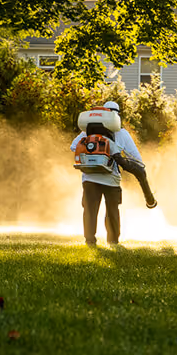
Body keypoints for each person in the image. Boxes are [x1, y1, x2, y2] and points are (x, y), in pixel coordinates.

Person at [70, 100, 146, 247]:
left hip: (89, 176)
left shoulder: (86, 131)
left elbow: (74, 147)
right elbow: (136, 157)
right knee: (112, 210)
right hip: (111, 178)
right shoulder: (122, 133)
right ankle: (113, 241)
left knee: (90, 209)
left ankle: (90, 241)